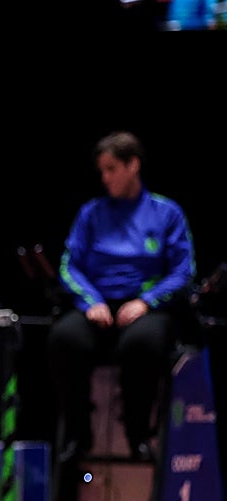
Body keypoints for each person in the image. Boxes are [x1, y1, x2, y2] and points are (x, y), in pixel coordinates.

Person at [47, 130, 196, 464]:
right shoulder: (91, 213)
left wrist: (146, 302)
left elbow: (183, 272)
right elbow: (69, 265)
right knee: (64, 339)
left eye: (111, 169)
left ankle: (138, 435)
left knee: (142, 344)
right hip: (99, 306)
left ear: (133, 166)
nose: (105, 178)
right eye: (102, 170)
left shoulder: (166, 213)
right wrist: (91, 302)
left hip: (145, 309)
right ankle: (79, 436)